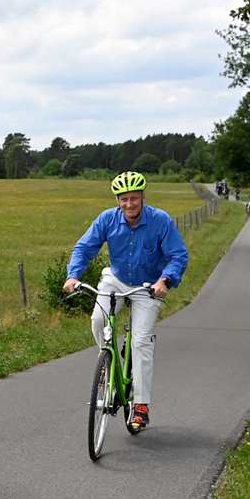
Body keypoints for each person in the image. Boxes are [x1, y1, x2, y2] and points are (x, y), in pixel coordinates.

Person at [63, 171, 188, 432]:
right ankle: (107, 366)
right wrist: (73, 276)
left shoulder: (160, 221)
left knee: (141, 340)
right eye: (124, 199)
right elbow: (85, 248)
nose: (129, 204)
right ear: (118, 200)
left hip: (148, 285)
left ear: (142, 197)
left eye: (134, 198)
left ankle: (140, 405)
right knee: (98, 320)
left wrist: (165, 280)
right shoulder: (107, 219)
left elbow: (178, 255)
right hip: (116, 279)